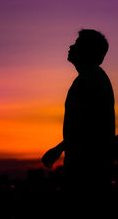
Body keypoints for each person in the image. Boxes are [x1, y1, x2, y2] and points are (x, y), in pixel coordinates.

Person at [42, 29, 115, 193]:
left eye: (77, 44)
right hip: (90, 166)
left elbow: (87, 127)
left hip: (87, 169)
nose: (71, 46)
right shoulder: (92, 78)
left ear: (87, 52)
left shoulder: (90, 81)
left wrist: (59, 148)